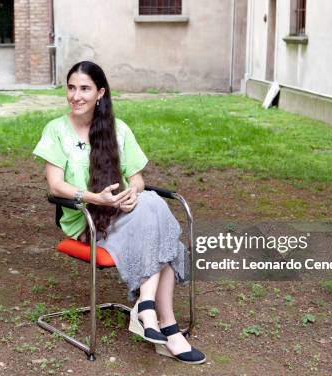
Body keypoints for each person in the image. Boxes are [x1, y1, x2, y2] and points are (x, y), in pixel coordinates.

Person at [33, 61, 206, 364]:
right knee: (164, 236)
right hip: (86, 220)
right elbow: (56, 186)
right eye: (71, 88)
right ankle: (166, 325)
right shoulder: (56, 130)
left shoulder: (118, 129)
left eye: (84, 88)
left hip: (124, 214)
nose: (76, 95)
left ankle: (148, 308)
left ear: (100, 92)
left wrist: (130, 194)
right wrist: (96, 197)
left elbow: (137, 178)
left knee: (150, 200)